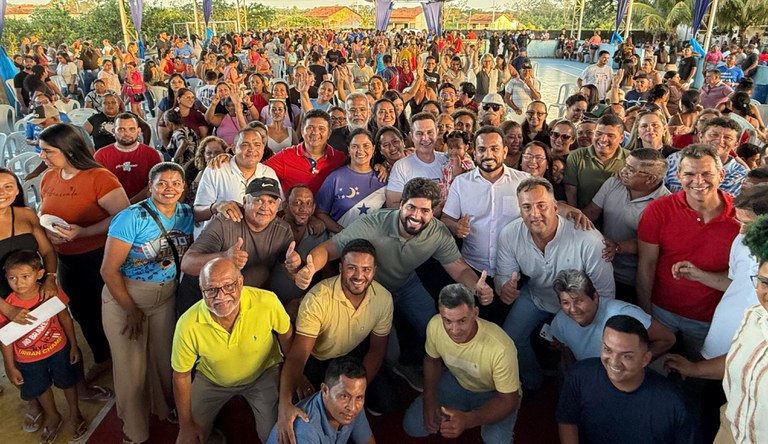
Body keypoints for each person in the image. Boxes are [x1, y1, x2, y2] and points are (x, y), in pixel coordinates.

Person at [294, 178, 493, 385]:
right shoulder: (374, 223)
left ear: (433, 212)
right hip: (373, 290)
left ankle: (447, 374)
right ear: (401, 205)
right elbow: (328, 249)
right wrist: (310, 269)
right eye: (411, 207)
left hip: (407, 285)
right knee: (390, 355)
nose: (416, 216)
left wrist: (476, 286)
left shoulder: (438, 233)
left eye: (424, 211)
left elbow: (459, 269)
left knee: (438, 330)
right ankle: (393, 371)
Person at [100, 162, 193, 443]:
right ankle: (134, 431)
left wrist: (217, 208)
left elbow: (202, 213)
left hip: (164, 298)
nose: (169, 189)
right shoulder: (131, 218)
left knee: (165, 361)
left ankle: (163, 409)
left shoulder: (185, 213)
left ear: (184, 188)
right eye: (162, 183)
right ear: (150, 186)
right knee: (132, 370)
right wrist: (130, 309)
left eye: (176, 183)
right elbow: (108, 270)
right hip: (125, 300)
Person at [494, 177, 614, 390]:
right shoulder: (509, 234)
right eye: (527, 207)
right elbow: (503, 275)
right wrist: (504, 288)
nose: (535, 214)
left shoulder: (588, 239)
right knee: (509, 340)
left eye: (542, 206)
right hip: (536, 296)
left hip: (578, 306)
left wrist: (584, 327)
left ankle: (571, 390)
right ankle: (533, 383)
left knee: (574, 356)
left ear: (556, 207)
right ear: (520, 210)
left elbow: (605, 294)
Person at [38, 123, 131, 385]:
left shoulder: (99, 178)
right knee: (81, 310)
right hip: (67, 258)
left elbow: (123, 216)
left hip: (98, 256)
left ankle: (124, 355)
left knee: (109, 308)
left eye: (47, 151)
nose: (42, 157)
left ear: (68, 150)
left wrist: (84, 232)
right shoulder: (49, 177)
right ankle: (103, 356)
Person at [277, 240, 393, 441]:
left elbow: (376, 349)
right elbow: (297, 356)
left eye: (366, 269)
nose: (359, 276)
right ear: (340, 268)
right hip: (318, 358)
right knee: (302, 403)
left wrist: (357, 392)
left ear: (374, 271)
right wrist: (284, 404)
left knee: (387, 402)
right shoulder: (317, 299)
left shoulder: (384, 298)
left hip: (353, 355)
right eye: (352, 268)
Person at [172, 258, 293, 444]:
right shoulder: (187, 324)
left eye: (228, 286)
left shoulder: (267, 302)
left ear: (241, 282)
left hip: (263, 374)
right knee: (188, 440)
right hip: (212, 380)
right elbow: (181, 375)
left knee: (276, 435)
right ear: (201, 290)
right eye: (211, 290)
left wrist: (295, 373)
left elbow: (286, 334)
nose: (220, 297)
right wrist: (185, 424)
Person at [637, 144, 740, 358]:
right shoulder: (658, 209)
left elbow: (741, 278)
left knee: (698, 373)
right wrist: (646, 312)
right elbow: (646, 264)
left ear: (721, 174)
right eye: (690, 174)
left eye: (706, 174)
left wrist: (701, 276)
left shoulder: (740, 218)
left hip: (710, 317)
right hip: (661, 311)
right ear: (678, 176)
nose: (698, 181)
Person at [403, 283, 521, 442]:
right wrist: (429, 398)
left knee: (496, 441)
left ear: (475, 313)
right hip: (457, 381)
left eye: (462, 321)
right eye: (448, 321)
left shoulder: (501, 347)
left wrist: (469, 419)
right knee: (413, 425)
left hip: (495, 393)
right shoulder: (434, 325)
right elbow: (431, 360)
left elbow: (508, 400)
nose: (455, 330)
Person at [556, 315, 700, 444]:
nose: (614, 361)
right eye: (608, 350)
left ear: (645, 359)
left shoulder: (674, 404)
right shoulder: (580, 375)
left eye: (626, 356)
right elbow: (567, 419)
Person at [1, 250, 88, 444]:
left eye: (25, 276)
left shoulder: (49, 292)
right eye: (12, 278)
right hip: (27, 359)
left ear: (39, 274)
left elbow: (65, 316)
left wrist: (74, 345)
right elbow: (4, 338)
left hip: (59, 350)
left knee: (68, 382)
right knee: (41, 388)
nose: (19, 282)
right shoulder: (8, 306)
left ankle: (75, 414)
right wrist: (11, 366)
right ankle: (53, 416)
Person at [582, 149, 670, 302]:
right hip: (601, 269)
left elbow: (655, 246)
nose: (623, 171)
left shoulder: (665, 204)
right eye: (625, 165)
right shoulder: (613, 183)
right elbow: (591, 212)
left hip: (633, 280)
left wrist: (618, 247)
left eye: (631, 169)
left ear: (650, 179)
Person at [550, 269, 675, 361]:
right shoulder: (561, 321)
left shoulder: (625, 314)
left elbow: (667, 339)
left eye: (578, 301)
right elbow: (568, 355)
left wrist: (636, 363)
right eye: (565, 303)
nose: (572, 309)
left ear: (595, 297)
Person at [268, 356, 374, 444]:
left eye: (359, 397)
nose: (352, 407)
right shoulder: (305, 433)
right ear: (324, 390)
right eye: (344, 396)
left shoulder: (353, 408)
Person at [315, 129, 386, 233]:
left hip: (373, 241)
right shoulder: (335, 178)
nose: (360, 150)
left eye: (366, 146)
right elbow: (320, 212)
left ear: (373, 148)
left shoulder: (382, 178)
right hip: (339, 242)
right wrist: (343, 233)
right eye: (355, 146)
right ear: (348, 149)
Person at [264, 109, 347, 195]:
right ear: (302, 131)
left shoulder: (340, 159)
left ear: (329, 134)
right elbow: (259, 171)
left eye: (321, 128)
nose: (315, 132)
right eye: (310, 128)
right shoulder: (286, 156)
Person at [664, 117, 749, 195]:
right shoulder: (674, 160)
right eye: (714, 135)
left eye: (727, 137)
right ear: (701, 136)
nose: (719, 140)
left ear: (736, 144)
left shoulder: (741, 176)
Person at [94, 113, 163, 204]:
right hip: (112, 207)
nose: (127, 133)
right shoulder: (101, 155)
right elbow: (98, 186)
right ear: (113, 131)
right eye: (121, 129)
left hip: (145, 205)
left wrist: (129, 205)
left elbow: (155, 185)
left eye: (131, 129)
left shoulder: (151, 154)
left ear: (138, 131)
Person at [564, 114, 629, 209]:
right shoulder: (576, 156)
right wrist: (575, 217)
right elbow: (570, 191)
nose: (603, 139)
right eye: (599, 134)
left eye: (610, 135)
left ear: (621, 138)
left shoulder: (630, 159)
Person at [385, 113, 447, 209]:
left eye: (430, 132)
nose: (425, 138)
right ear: (411, 136)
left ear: (437, 133)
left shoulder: (448, 161)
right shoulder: (401, 166)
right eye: (419, 133)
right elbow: (393, 204)